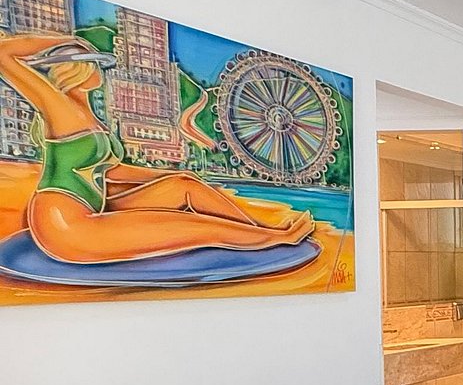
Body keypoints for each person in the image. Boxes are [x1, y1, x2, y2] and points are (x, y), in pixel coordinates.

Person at [0, 32, 313, 264]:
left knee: (184, 185)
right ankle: (276, 238)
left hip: (92, 207)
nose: (100, 70)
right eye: (94, 64)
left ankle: (256, 230)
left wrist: (168, 174)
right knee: (194, 228)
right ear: (77, 69)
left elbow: (112, 170)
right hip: (64, 224)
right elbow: (4, 54)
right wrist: (66, 40)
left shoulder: (89, 116)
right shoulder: (59, 107)